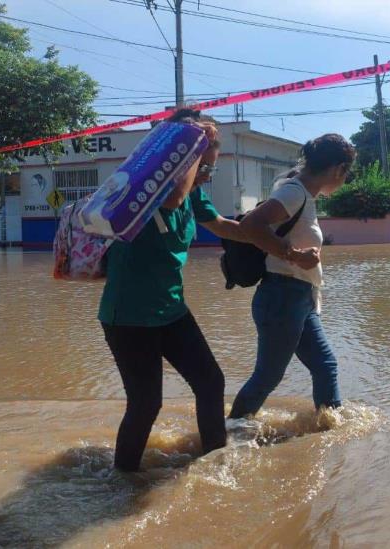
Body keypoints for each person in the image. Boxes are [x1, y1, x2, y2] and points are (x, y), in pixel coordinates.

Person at [99, 109, 244, 472]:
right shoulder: (144, 184)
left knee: (210, 382)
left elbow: (226, 227)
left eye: (211, 169)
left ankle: (214, 461)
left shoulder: (192, 191)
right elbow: (172, 199)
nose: (206, 175)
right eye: (203, 166)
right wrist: (194, 147)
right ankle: (123, 481)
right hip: (130, 316)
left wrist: (283, 246)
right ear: (180, 156)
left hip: (171, 310)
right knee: (146, 404)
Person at [229, 133, 356, 419]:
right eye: (346, 173)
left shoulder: (301, 194)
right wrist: (295, 256)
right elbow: (252, 225)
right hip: (282, 298)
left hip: (300, 299)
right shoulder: (295, 192)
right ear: (338, 169)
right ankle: (229, 434)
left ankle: (329, 431)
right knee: (268, 377)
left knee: (325, 365)